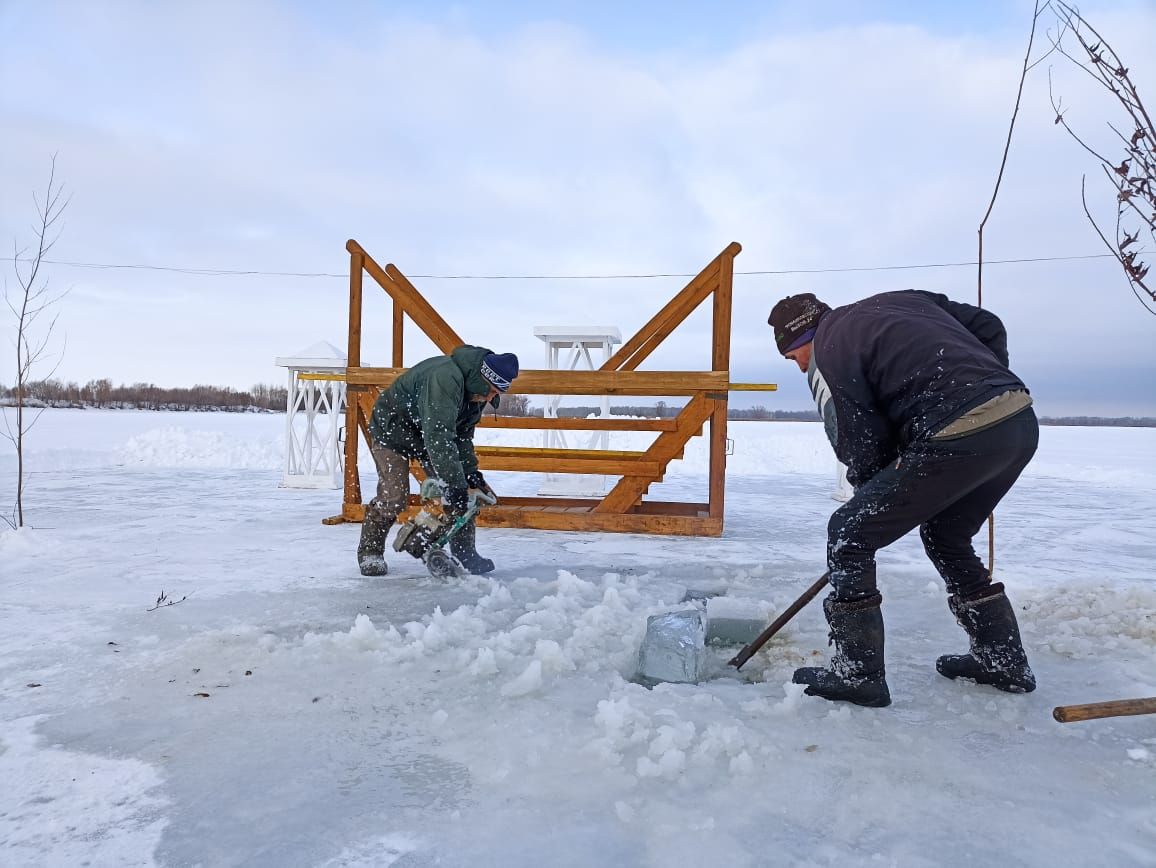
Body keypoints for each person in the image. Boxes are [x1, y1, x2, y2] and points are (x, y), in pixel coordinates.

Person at [767, 290, 1038, 708]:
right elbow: (988, 325)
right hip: (1017, 421)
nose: (800, 366)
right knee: (946, 535)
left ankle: (858, 674)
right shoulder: (901, 301)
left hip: (956, 430)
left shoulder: (828, 351)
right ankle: (1001, 659)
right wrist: (984, 385)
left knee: (849, 534)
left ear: (802, 338)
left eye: (793, 358)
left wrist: (868, 495)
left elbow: (856, 438)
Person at [357, 345, 519, 577]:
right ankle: (370, 552)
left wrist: (469, 472)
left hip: (427, 435)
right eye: (492, 391)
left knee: (466, 492)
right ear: (483, 378)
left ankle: (464, 553)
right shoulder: (446, 378)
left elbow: (462, 435)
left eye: (496, 393)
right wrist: (454, 482)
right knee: (394, 497)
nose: (492, 397)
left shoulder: (477, 392)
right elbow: (439, 435)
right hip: (392, 431)